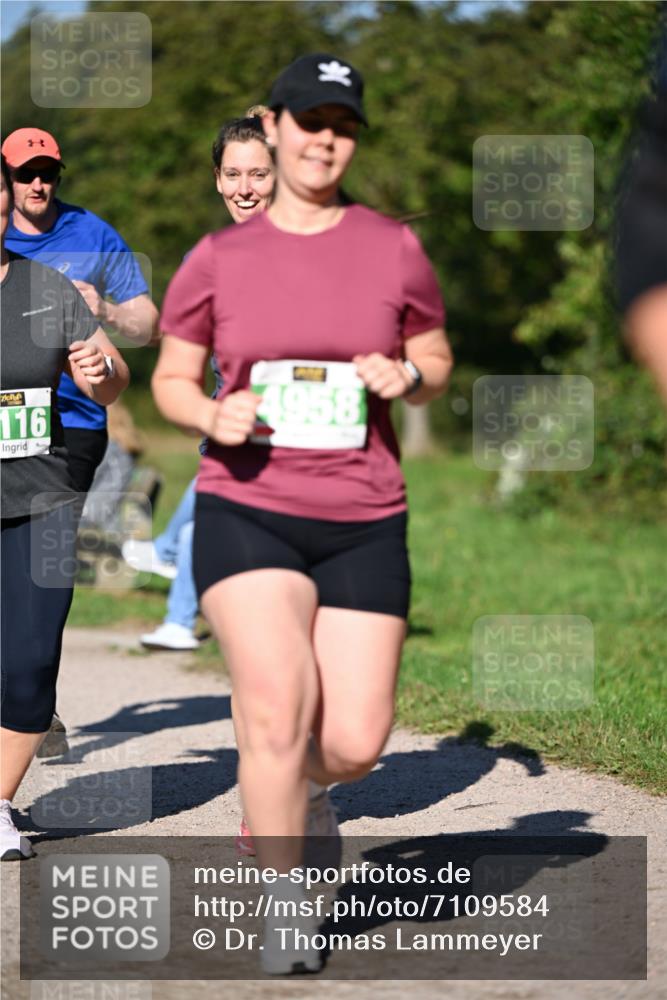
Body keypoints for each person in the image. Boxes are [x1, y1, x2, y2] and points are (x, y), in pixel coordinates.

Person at [153, 52, 453, 974]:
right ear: (273, 127)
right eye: (309, 119)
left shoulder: (390, 246)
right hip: (249, 505)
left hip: (363, 511)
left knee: (353, 743)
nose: (326, 137)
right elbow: (169, 378)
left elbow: (436, 358)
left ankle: (313, 793)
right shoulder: (218, 257)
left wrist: (404, 375)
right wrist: (212, 413)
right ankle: (286, 907)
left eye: (344, 124)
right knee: (275, 712)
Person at [1, 127, 159, 755]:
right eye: (25, 175)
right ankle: (23, 696)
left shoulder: (92, 233)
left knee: (38, 578)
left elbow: (148, 322)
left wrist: (106, 315)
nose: (38, 184)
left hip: (73, 429)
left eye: (50, 173)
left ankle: (31, 690)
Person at [0, 154, 129, 861]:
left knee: (29, 655)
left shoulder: (45, 287)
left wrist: (100, 371)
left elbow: (112, 378)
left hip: (42, 489)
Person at [124, 109, 276, 652]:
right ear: (216, 180)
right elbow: (177, 356)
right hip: (233, 415)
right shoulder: (203, 259)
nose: (244, 188)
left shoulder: (313, 242)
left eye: (258, 174)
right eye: (233, 175)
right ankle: (182, 608)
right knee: (216, 502)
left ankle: (173, 576)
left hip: (305, 433)